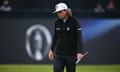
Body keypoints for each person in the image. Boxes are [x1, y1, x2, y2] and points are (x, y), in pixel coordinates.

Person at [48, 3, 83, 72]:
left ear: (65, 11)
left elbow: (79, 37)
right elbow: (55, 37)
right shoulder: (57, 23)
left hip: (71, 55)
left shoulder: (75, 22)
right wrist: (51, 49)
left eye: (60, 12)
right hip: (59, 54)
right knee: (57, 70)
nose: (58, 14)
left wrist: (79, 51)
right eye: (57, 12)